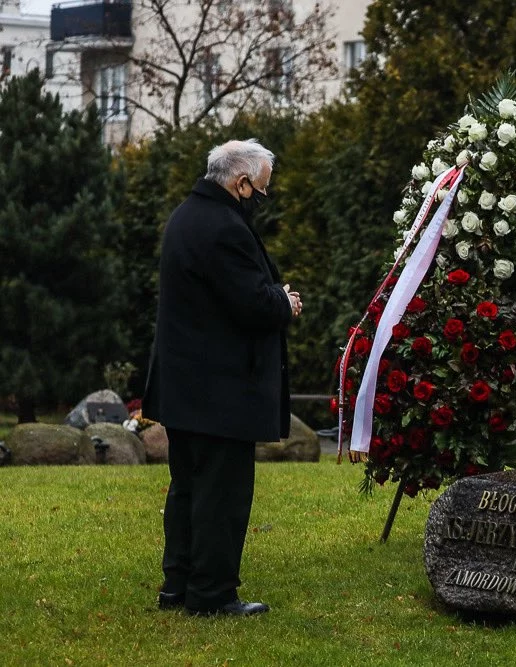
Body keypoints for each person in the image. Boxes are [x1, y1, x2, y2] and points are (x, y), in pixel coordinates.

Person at [143, 139, 302, 616]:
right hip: (220, 388)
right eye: (261, 191)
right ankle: (212, 595)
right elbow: (250, 303)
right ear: (242, 182)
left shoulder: (185, 217)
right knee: (221, 493)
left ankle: (178, 585)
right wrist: (284, 302)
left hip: (185, 383)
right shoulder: (224, 227)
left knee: (187, 486)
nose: (261, 200)